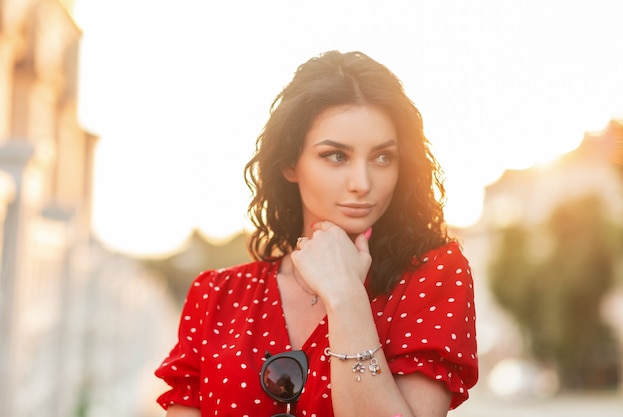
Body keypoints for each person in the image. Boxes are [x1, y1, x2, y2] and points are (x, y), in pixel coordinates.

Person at [155, 50, 478, 417]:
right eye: (336, 156)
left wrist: (346, 298)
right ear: (290, 163)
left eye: (382, 157)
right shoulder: (216, 296)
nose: (362, 183)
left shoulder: (432, 276)